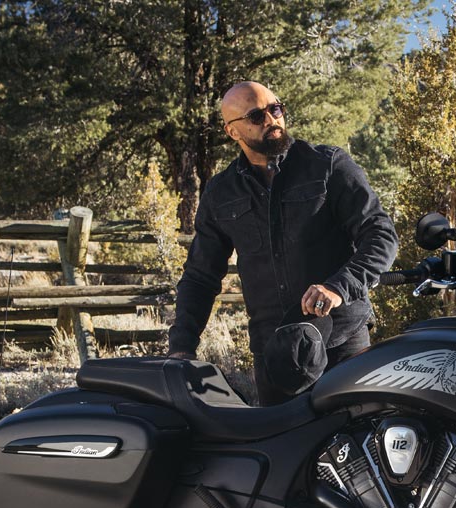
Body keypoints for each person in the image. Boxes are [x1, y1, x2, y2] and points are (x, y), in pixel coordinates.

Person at [168, 81, 398, 405]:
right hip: (275, 357)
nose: (272, 120)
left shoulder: (328, 165)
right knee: (282, 439)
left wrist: (338, 287)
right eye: (256, 116)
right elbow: (199, 277)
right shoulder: (220, 194)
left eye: (275, 109)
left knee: (360, 435)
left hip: (342, 344)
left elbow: (380, 235)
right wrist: (181, 348)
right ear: (232, 131)